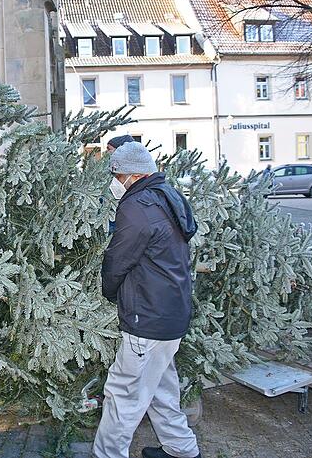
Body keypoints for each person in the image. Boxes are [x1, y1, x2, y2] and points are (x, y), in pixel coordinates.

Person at [95, 141, 201, 458]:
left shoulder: (137, 206)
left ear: (132, 175)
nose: (115, 181)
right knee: (160, 387)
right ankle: (181, 450)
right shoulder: (168, 196)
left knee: (123, 392)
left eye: (116, 174)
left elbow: (118, 259)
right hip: (171, 312)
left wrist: (109, 290)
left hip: (148, 317)